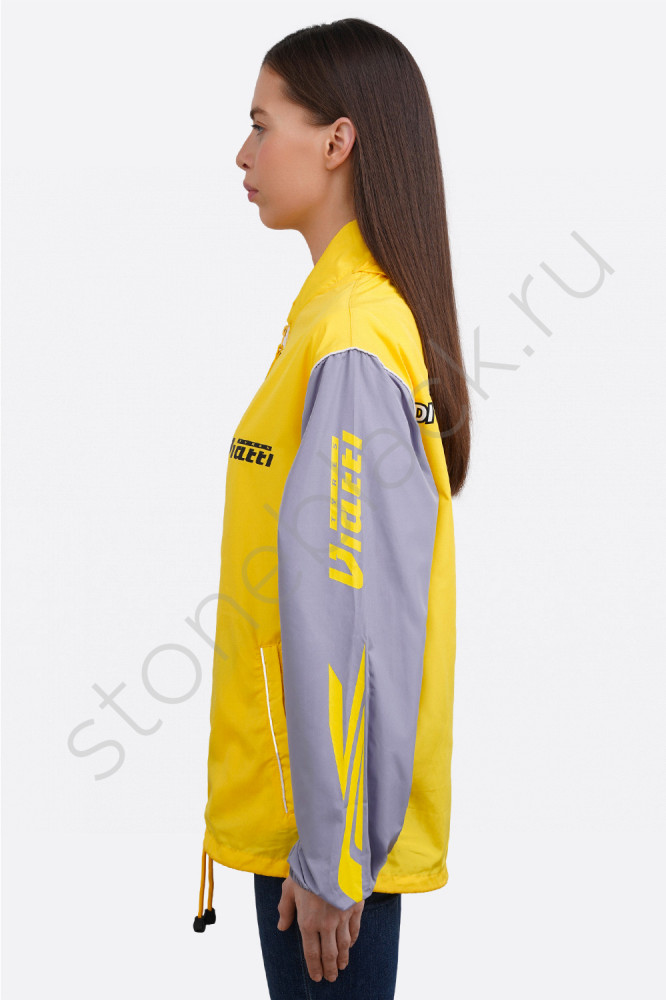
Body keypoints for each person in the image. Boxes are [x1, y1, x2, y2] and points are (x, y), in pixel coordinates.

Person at [192, 18, 471, 999]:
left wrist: (333, 855)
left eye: (262, 124)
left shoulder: (350, 332)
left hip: (320, 857)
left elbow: (355, 617)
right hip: (314, 829)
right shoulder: (333, 315)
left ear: (337, 141)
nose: (244, 153)